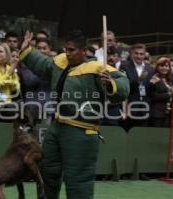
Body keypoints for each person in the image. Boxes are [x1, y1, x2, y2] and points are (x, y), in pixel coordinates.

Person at [19, 30, 129, 199]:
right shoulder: (61, 61)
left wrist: (110, 83)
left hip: (82, 132)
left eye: (71, 50)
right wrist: (28, 51)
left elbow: (124, 85)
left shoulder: (99, 67)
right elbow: (45, 66)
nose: (67, 53)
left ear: (84, 51)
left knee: (79, 180)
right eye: (66, 49)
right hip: (56, 127)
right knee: (47, 171)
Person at [0, 43, 20, 122]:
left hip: (7, 103)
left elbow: (16, 87)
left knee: (6, 129)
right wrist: (8, 76)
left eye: (1, 51)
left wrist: (9, 82)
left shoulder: (10, 68)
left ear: (7, 54)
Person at [149, 57, 173, 127]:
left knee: (164, 136)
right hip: (156, 114)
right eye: (162, 66)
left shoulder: (170, 80)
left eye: (166, 66)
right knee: (156, 136)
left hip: (167, 113)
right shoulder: (154, 78)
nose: (164, 68)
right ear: (157, 67)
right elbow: (153, 96)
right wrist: (169, 94)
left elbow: (171, 94)